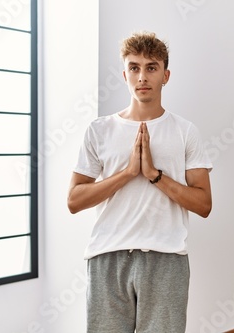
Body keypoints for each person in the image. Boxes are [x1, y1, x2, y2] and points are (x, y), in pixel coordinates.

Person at [67, 31, 213, 333]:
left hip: (166, 260)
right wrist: (127, 173)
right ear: (124, 74)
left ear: (166, 75)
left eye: (151, 67)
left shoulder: (186, 132)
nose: (142, 76)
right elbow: (74, 200)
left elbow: (204, 205)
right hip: (107, 258)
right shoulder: (99, 130)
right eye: (134, 67)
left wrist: (154, 176)